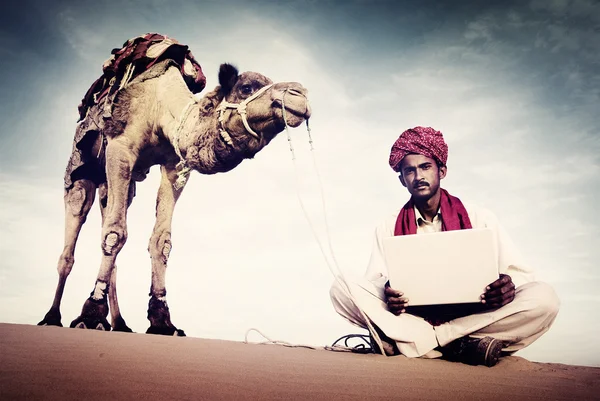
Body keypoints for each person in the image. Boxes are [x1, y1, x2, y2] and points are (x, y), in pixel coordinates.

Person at [330, 126, 560, 367]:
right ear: (402, 180)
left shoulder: (480, 217)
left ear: (442, 170)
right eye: (410, 170)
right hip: (412, 318)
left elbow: (521, 274)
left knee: (545, 299)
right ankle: (459, 345)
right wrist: (388, 291)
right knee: (342, 287)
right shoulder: (388, 225)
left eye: (425, 167)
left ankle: (420, 342)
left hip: (474, 316)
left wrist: (508, 285)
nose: (418, 176)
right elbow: (375, 280)